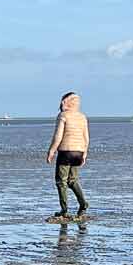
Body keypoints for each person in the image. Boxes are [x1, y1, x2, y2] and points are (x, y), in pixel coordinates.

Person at [44, 91, 90, 222]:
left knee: (61, 182)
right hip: (79, 152)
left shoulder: (63, 115)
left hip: (66, 152)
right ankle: (83, 204)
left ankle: (64, 210)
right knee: (73, 180)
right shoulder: (82, 117)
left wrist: (51, 151)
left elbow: (58, 136)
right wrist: (84, 154)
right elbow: (86, 137)